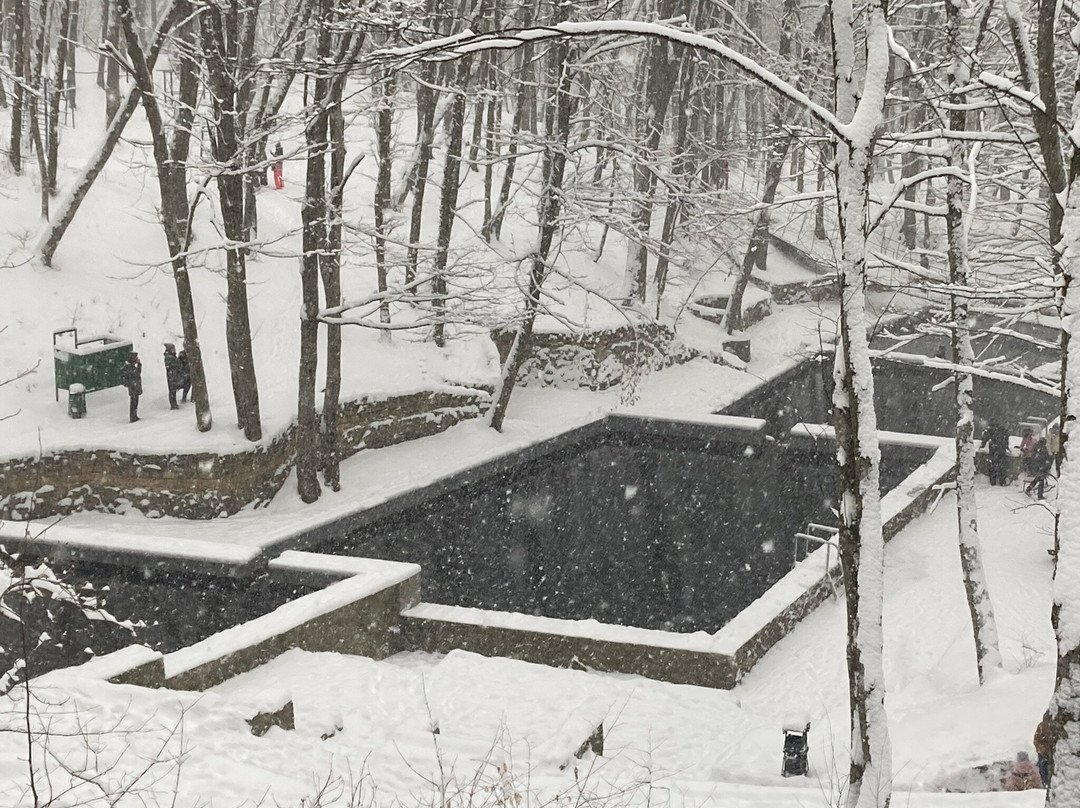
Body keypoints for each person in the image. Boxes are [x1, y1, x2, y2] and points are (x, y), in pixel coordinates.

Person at [983, 421, 1009, 486]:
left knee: (992, 465)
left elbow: (985, 438)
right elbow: (1006, 439)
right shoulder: (1002, 430)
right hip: (1001, 449)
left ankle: (993, 481)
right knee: (1002, 466)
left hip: (993, 450)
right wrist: (1006, 446)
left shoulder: (990, 430)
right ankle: (1002, 481)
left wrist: (982, 445)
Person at [119, 351, 142, 423]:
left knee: (135, 401)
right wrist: (139, 365)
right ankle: (133, 416)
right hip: (133, 386)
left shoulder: (130, 366)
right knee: (134, 402)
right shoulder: (129, 367)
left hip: (134, 385)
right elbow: (136, 374)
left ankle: (134, 415)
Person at [163, 343, 186, 410]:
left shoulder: (171, 356)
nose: (175, 350)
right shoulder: (170, 357)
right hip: (172, 376)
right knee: (172, 390)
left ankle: (174, 404)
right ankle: (173, 405)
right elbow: (176, 365)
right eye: (173, 349)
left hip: (173, 376)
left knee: (173, 390)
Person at [1034, 710, 1052, 787]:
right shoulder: (1041, 726)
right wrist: (1043, 749)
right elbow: (1036, 740)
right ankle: (1045, 782)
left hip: (1052, 752)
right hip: (1043, 752)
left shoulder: (1053, 726)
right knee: (1043, 767)